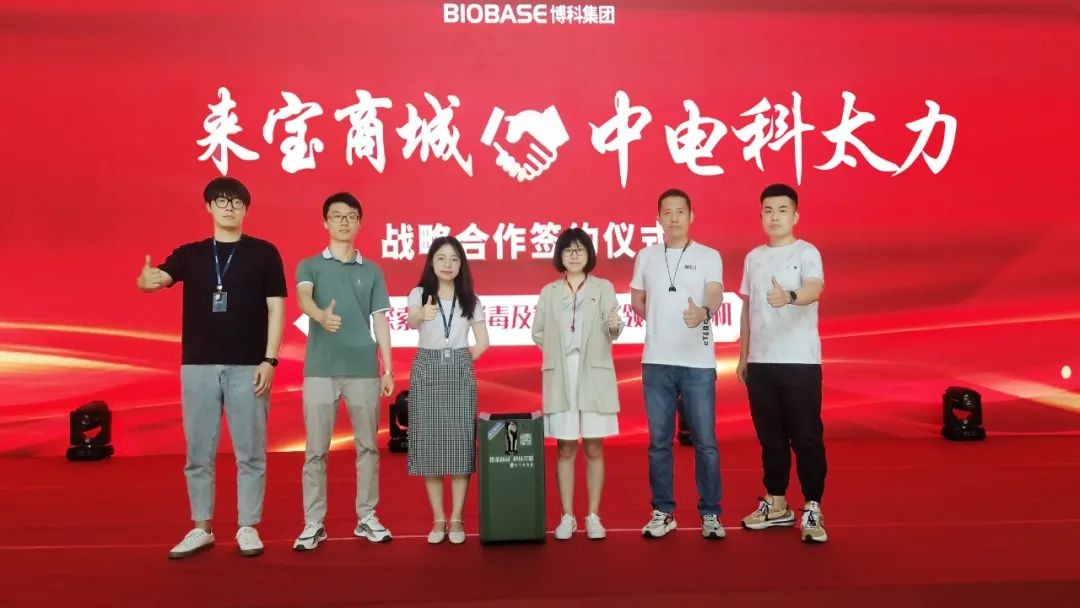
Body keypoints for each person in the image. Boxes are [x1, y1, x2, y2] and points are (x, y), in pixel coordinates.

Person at [137, 177, 286, 559]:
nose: (229, 207)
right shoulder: (191, 254)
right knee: (198, 453)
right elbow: (159, 279)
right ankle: (201, 527)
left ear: (246, 209)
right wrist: (146, 282)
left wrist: (269, 359)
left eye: (236, 202)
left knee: (250, 452)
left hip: (249, 365)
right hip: (199, 365)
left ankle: (247, 527)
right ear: (208, 207)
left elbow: (276, 308)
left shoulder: (264, 253)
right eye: (221, 201)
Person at [291, 192, 396, 550]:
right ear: (325, 222)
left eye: (351, 216)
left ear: (359, 223)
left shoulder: (372, 270)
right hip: (320, 368)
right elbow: (303, 297)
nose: (344, 222)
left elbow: (380, 320)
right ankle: (313, 523)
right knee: (315, 450)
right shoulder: (310, 266)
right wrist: (319, 315)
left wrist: (388, 368)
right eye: (336, 216)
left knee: (368, 447)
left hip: (364, 369)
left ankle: (367, 517)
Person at [630, 188, 726, 540]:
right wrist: (658, 318)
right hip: (656, 362)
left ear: (691, 216)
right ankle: (663, 511)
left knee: (705, 441)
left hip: (697, 362)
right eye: (667, 212)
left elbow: (715, 292)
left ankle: (710, 513)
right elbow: (637, 299)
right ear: (658, 218)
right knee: (658, 442)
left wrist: (703, 312)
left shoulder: (709, 255)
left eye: (680, 212)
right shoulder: (646, 256)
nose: (673, 218)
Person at [736, 183, 828, 543]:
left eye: (782, 210)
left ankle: (812, 507)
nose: (775, 217)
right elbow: (747, 308)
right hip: (761, 362)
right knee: (770, 437)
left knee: (806, 437)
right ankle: (776, 504)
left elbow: (814, 289)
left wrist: (789, 296)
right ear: (761, 215)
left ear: (795, 215)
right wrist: (744, 355)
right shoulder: (753, 257)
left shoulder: (807, 252)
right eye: (768, 211)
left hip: (799, 362)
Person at [532, 228, 623, 540]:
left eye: (580, 249)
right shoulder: (549, 292)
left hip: (593, 372)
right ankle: (567, 516)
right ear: (560, 255)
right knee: (566, 447)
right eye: (568, 250)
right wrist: (559, 352)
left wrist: (614, 326)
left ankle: (593, 516)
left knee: (594, 446)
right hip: (561, 373)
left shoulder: (603, 287)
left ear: (589, 254)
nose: (574, 255)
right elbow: (538, 332)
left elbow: (614, 328)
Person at [406, 236, 490, 544]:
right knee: (429, 445)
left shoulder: (470, 300)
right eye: (441, 258)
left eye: (454, 259)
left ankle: (456, 517)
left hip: (458, 370)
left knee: (460, 445)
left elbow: (483, 341)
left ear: (461, 264)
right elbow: (411, 320)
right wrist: (422, 315)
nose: (447, 264)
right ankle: (438, 518)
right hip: (427, 368)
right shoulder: (419, 294)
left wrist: (462, 359)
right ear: (431, 262)